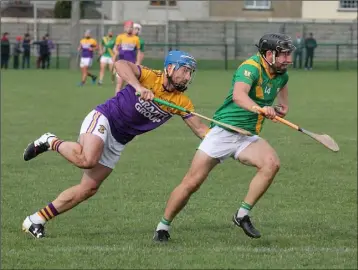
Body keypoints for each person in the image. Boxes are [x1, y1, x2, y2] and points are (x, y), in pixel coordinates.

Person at [21, 50, 209, 239]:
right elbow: (120, 65)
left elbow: (201, 131)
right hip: (105, 118)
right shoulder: (150, 76)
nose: (187, 77)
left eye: (190, 73)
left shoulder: (181, 102)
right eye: (184, 71)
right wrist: (139, 87)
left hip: (119, 140)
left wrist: (231, 144)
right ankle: (50, 141)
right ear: (169, 68)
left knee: (88, 189)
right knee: (87, 159)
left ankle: (36, 220)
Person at [153, 33, 295, 242]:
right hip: (223, 132)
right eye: (283, 55)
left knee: (271, 163)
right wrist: (260, 109)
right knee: (192, 183)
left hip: (247, 136)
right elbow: (239, 96)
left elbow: (281, 92)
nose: (288, 60)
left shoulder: (282, 74)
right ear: (268, 54)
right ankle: (163, 227)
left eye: (288, 55)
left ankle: (242, 215)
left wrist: (281, 107)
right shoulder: (250, 68)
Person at [112, 20, 140, 93]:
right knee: (119, 84)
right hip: (121, 64)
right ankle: (117, 102)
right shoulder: (120, 37)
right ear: (125, 28)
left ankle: (128, 103)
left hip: (131, 65)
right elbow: (115, 48)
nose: (129, 29)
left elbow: (139, 51)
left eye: (131, 27)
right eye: (128, 27)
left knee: (130, 86)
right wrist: (116, 52)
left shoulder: (136, 39)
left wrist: (138, 62)